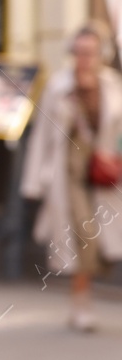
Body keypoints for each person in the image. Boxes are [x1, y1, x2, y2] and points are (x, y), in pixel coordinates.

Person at [20, 24, 122, 331]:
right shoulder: (58, 86)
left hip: (102, 171)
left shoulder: (112, 85)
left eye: (89, 52)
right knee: (83, 235)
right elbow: (42, 137)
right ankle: (82, 304)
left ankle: (82, 301)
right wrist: (33, 181)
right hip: (68, 172)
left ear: (100, 54)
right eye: (78, 52)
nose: (84, 59)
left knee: (103, 237)